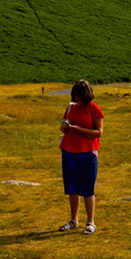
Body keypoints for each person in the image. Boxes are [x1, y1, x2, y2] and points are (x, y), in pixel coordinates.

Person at [57, 79, 104, 234]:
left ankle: (90, 222)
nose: (76, 98)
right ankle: (73, 220)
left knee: (87, 189)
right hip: (69, 151)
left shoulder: (94, 110)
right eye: (74, 95)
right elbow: (63, 127)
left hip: (87, 153)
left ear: (86, 94)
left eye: (79, 95)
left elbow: (99, 132)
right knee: (72, 188)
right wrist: (65, 128)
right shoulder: (71, 107)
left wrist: (78, 129)